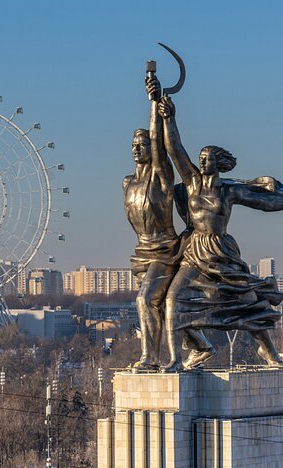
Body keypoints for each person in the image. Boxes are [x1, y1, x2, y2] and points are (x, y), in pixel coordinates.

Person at [158, 96, 283, 371]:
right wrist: (169, 118)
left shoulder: (229, 191)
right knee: (172, 299)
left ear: (219, 163)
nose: (202, 162)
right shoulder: (191, 182)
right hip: (194, 251)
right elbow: (174, 148)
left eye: (208, 159)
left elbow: (268, 202)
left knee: (248, 302)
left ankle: (269, 352)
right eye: (201, 158)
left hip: (221, 251)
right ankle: (182, 356)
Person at [122, 75, 193, 369]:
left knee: (144, 300)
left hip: (164, 251)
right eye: (134, 144)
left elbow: (159, 143)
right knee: (161, 308)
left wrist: (153, 102)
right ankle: (202, 346)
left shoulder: (161, 177)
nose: (138, 148)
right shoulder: (127, 183)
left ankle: (150, 358)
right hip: (141, 253)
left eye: (142, 144)